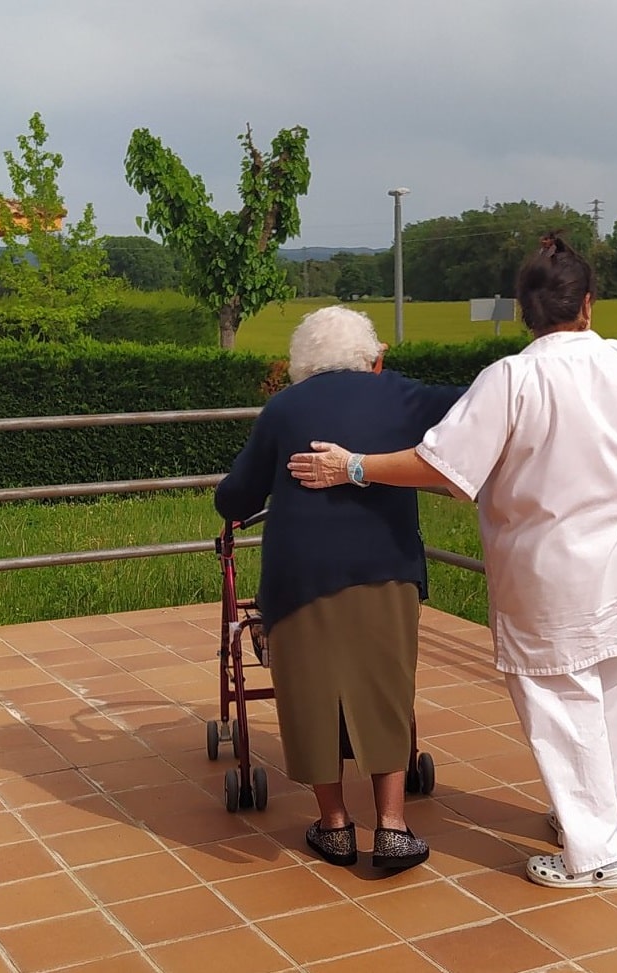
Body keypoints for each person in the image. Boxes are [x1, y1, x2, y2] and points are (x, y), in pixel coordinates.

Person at [288, 234, 617, 889]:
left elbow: (443, 467)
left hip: (552, 569)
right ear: (588, 304)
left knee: (561, 708)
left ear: (525, 310)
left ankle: (598, 856)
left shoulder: (514, 377)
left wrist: (354, 466)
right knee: (606, 701)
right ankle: (587, 819)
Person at [215, 305, 464, 870]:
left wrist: (231, 495)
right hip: (387, 567)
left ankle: (334, 827)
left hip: (301, 575)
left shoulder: (283, 408)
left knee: (310, 692)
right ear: (373, 357)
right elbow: (477, 403)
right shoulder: (401, 395)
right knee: (385, 687)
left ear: (302, 361)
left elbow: (239, 497)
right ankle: (395, 827)